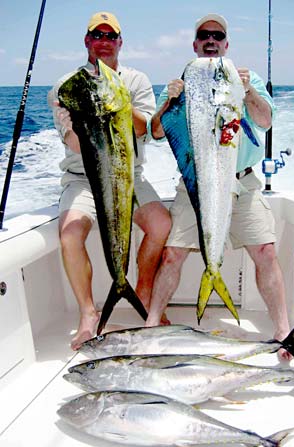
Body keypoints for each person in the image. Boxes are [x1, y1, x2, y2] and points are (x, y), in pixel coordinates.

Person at [146, 13, 292, 361]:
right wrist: (170, 101)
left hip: (241, 181)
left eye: (218, 35)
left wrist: (249, 91)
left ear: (226, 44)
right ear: (195, 44)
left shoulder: (245, 77)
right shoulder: (179, 81)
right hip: (196, 183)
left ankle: (283, 331)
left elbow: (265, 121)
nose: (211, 40)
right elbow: (154, 131)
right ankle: (151, 324)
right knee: (172, 254)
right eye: (204, 35)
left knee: (266, 252)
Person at [48, 12, 171, 350]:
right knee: (71, 234)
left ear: (119, 42)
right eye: (96, 35)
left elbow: (144, 127)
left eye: (110, 35)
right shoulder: (67, 87)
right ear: (87, 41)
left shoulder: (135, 81)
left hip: (128, 177)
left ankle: (141, 289)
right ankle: (88, 313)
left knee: (161, 224)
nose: (103, 41)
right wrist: (82, 115)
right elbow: (73, 142)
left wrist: (119, 103)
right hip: (83, 179)